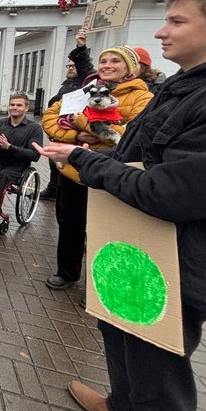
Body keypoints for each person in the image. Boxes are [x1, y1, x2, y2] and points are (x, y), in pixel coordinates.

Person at [34, 0, 206, 411]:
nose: (161, 30)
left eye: (176, 21)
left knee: (158, 374)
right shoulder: (186, 83)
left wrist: (85, 158)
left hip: (175, 260)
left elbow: (171, 191)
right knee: (120, 335)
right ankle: (120, 405)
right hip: (134, 241)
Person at [42, 45, 152, 290]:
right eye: (103, 60)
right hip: (72, 170)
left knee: (103, 230)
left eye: (115, 60)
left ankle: (99, 286)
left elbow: (129, 137)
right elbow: (50, 119)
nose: (107, 65)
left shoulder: (142, 97)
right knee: (69, 224)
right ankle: (67, 273)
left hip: (108, 173)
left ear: (130, 67)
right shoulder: (84, 90)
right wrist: (75, 136)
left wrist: (84, 123)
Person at [40, 31, 94, 200]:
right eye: (68, 66)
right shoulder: (67, 84)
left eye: (73, 65)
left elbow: (86, 68)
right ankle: (54, 188)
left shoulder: (86, 82)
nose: (71, 68)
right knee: (54, 162)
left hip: (77, 133)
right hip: (59, 130)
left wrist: (81, 47)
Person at [0, 93, 43, 226]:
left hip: (18, 165)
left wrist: (10, 147)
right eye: (12, 105)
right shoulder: (0, 124)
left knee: (4, 176)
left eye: (19, 105)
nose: (14, 107)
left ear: (26, 108)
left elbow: (35, 155)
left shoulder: (34, 129)